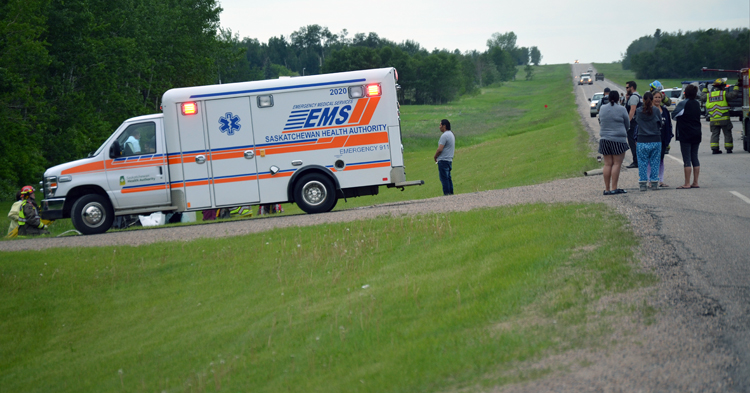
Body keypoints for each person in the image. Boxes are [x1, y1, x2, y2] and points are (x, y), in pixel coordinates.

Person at [598, 90, 630, 195]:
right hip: (618, 139)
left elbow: (600, 121)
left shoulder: (602, 108)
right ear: (618, 99)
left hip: (604, 139)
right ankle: (614, 187)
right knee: (617, 164)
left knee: (607, 164)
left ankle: (606, 189)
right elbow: (627, 123)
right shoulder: (621, 109)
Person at [673, 84, 702, 189]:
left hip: (685, 133)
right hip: (697, 133)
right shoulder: (697, 104)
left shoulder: (683, 103)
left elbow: (674, 115)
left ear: (685, 93)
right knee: (695, 157)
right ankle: (696, 182)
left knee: (687, 158)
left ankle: (687, 183)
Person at [702, 78, 739, 154]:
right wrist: (736, 86)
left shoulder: (709, 95)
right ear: (722, 87)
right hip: (724, 118)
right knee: (727, 133)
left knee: (715, 134)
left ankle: (715, 149)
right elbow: (734, 95)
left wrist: (705, 88)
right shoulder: (724, 94)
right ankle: (728, 149)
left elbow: (702, 97)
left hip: (713, 119)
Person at [635, 92, 662, 191]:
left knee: (642, 163)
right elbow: (660, 123)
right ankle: (654, 182)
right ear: (652, 100)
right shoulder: (656, 110)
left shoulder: (638, 111)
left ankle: (643, 183)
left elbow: (637, 122)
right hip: (655, 139)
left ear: (643, 100)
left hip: (642, 139)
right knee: (655, 162)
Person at [651, 90, 674, 187]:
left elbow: (669, 124)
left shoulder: (664, 110)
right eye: (655, 97)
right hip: (652, 139)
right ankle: (650, 180)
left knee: (660, 160)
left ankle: (660, 180)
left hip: (663, 139)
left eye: (659, 97)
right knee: (651, 160)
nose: (657, 99)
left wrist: (669, 137)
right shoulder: (650, 110)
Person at [433, 119, 455, 195]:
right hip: (449, 159)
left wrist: (435, 156)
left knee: (444, 179)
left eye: (440, 125)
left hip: (443, 160)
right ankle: (451, 194)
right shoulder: (451, 134)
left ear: (444, 126)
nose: (439, 127)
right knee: (448, 178)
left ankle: (447, 194)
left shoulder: (444, 135)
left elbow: (440, 149)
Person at [625, 81, 642, 168]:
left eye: (627, 87)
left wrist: (627, 122)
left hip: (633, 123)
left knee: (632, 142)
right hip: (638, 122)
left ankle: (636, 161)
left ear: (632, 87)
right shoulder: (637, 96)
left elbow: (632, 110)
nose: (626, 89)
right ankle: (638, 160)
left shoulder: (634, 97)